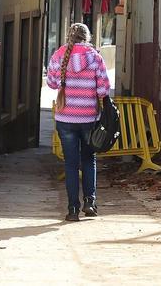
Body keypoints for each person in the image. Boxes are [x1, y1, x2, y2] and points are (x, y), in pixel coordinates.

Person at [46, 23, 111, 221]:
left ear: (69, 36)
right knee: (88, 159)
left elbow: (51, 82)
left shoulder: (59, 55)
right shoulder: (95, 57)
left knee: (71, 164)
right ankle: (90, 201)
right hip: (89, 118)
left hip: (65, 118)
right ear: (87, 37)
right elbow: (103, 90)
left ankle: (73, 209)